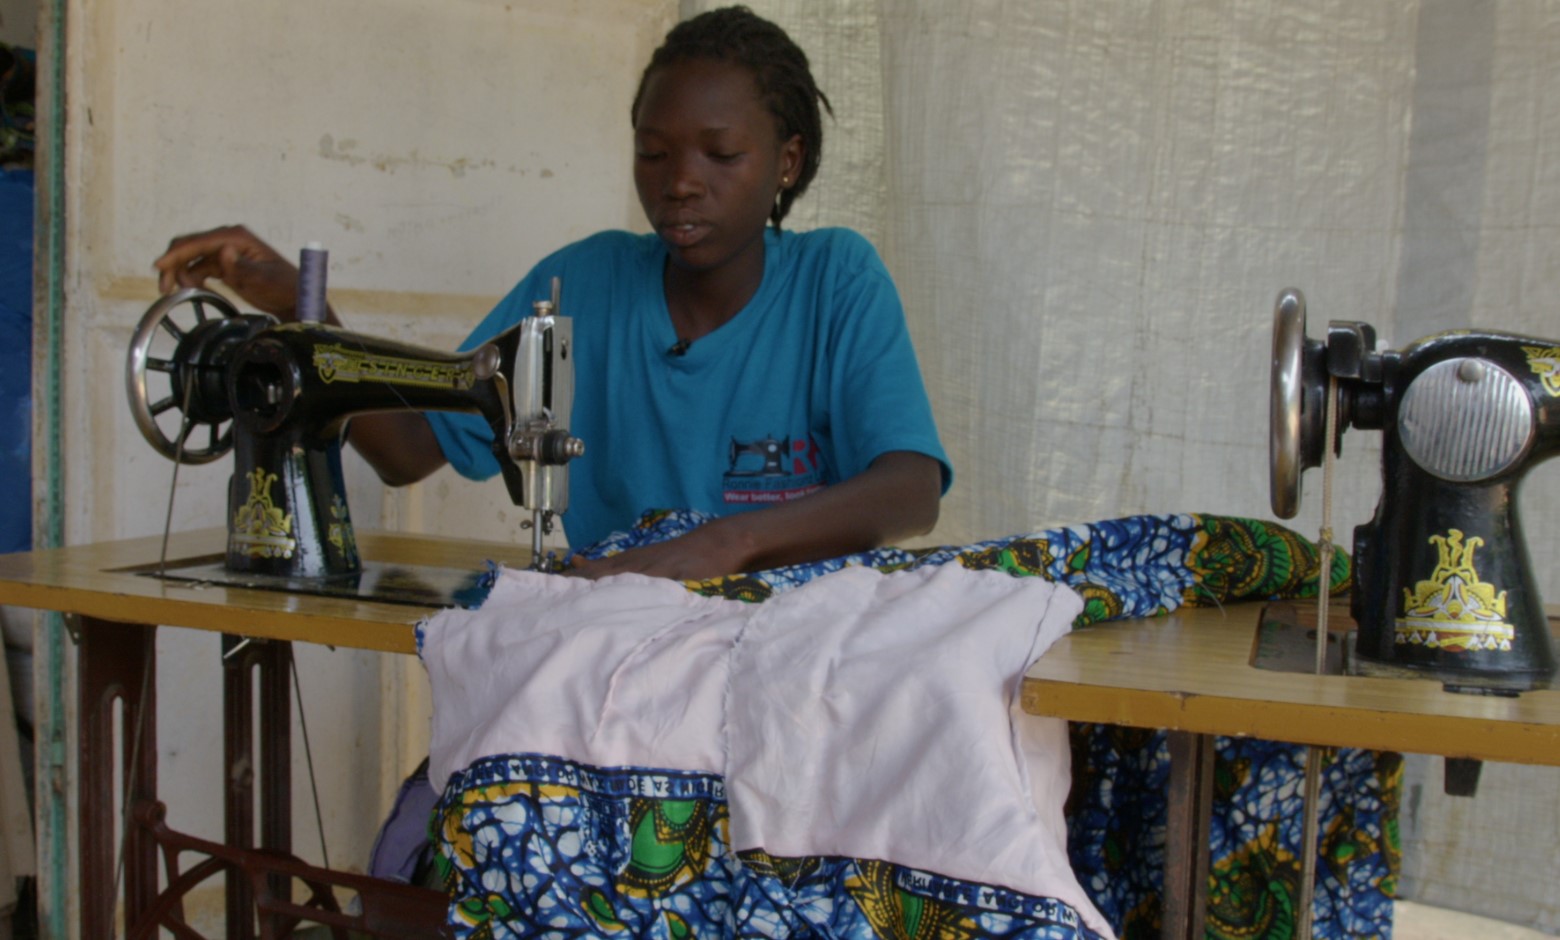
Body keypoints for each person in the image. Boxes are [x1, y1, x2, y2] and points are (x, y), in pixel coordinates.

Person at [153, 6, 949, 584]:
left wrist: (723, 544)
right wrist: (301, 312)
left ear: (787, 161)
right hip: (618, 638)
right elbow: (407, 451)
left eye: (721, 154)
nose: (679, 182)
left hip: (788, 649)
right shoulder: (582, 284)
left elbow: (910, 488)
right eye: (653, 153)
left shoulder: (836, 279)